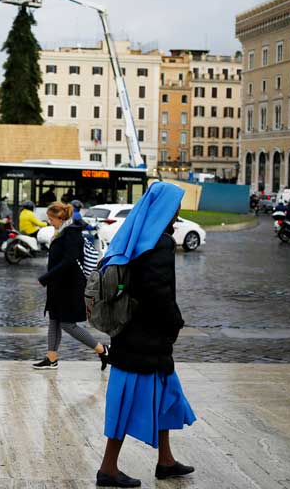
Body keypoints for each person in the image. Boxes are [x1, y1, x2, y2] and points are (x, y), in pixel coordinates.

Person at [95, 181, 196, 488]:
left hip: (131, 334)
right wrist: (175, 322)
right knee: (126, 402)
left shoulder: (138, 237)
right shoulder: (160, 243)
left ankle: (165, 460)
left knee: (166, 394)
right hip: (146, 338)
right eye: (177, 204)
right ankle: (108, 468)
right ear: (167, 208)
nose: (179, 210)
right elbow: (158, 293)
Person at [33, 202, 108, 371]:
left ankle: (102, 350)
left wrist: (45, 278)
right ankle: (51, 358)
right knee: (54, 320)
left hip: (70, 287)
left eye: (51, 219)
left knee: (68, 324)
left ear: (60, 218)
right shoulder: (62, 232)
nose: (50, 222)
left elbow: (69, 261)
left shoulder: (71, 234)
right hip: (59, 285)